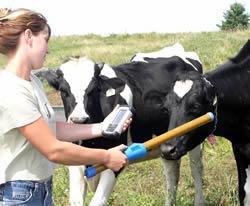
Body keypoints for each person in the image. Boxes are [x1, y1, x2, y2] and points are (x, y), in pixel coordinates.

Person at [0, 8, 132, 206]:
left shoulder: (31, 81)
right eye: (45, 39)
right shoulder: (12, 89)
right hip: (19, 194)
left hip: (39, 188)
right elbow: (53, 149)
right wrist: (106, 156)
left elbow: (50, 129)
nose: (48, 49)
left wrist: (101, 128)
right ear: (28, 36)